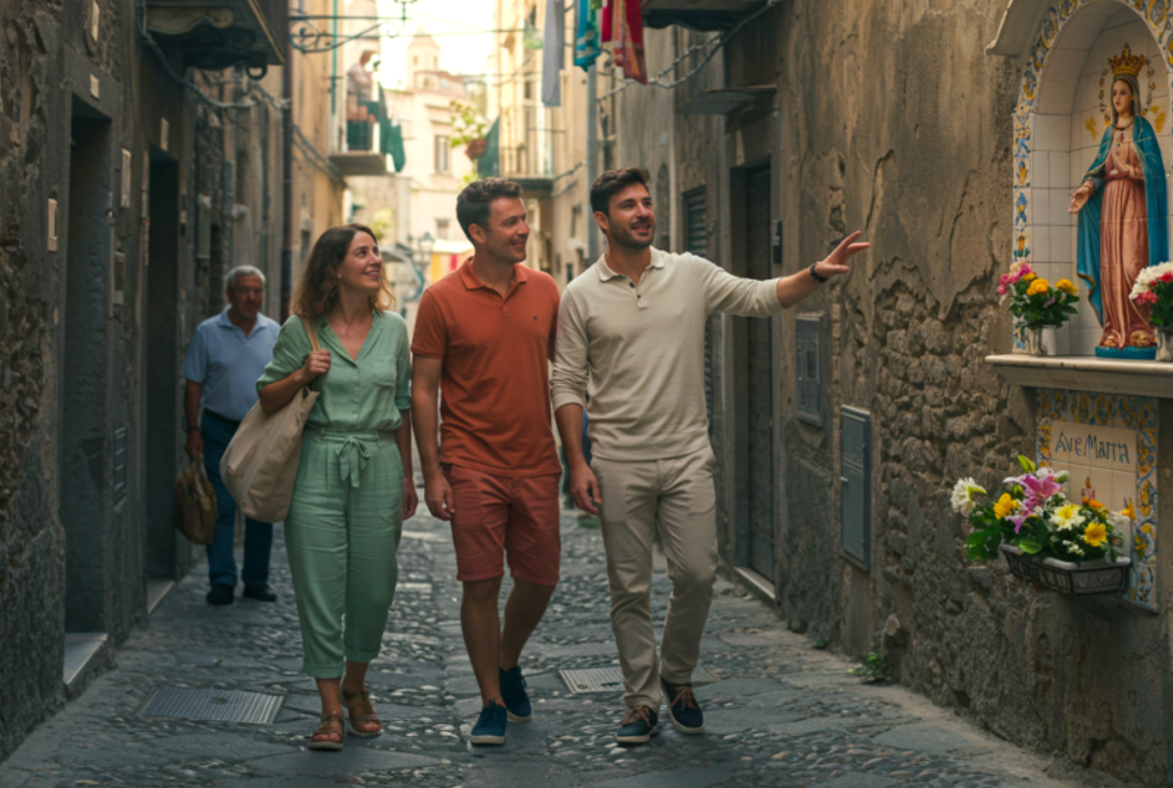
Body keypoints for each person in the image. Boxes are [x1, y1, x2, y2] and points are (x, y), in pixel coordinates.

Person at [552, 167, 870, 744]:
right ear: (603, 220)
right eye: (629, 205)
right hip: (619, 460)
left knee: (697, 573)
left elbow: (758, 296)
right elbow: (568, 382)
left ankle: (677, 674)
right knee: (629, 588)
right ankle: (640, 701)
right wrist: (577, 461)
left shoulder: (689, 273)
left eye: (647, 202)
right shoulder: (579, 296)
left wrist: (818, 272)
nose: (643, 212)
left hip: (686, 454)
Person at [411, 178, 564, 746]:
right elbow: (423, 389)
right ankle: (491, 700)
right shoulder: (441, 299)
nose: (523, 229)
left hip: (536, 463)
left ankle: (507, 656)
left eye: (523, 219)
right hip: (470, 463)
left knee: (541, 578)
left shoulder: (546, 289)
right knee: (480, 583)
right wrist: (432, 471)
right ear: (478, 233)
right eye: (510, 223)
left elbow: (568, 372)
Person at [255, 223, 418, 751]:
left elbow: (403, 408)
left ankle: (356, 684)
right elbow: (267, 399)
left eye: (375, 252)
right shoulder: (300, 329)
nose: (375, 260)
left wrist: (409, 474)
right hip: (317, 462)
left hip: (378, 461)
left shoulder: (393, 328)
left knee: (374, 587)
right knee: (320, 587)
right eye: (362, 253)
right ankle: (329, 708)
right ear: (334, 267)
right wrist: (303, 374)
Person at [183, 265, 281, 606]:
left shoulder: (275, 332)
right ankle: (222, 580)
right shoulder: (208, 332)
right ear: (229, 294)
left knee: (258, 508)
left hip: (262, 431)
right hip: (219, 429)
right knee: (222, 506)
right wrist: (192, 429)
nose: (251, 297)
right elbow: (193, 383)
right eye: (244, 290)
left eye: (257, 291)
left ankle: (256, 580)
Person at [1069, 48, 1168, 354]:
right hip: (1111, 201)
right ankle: (1114, 329)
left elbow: (1156, 171)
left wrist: (1134, 170)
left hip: (1135, 203)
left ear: (1134, 96)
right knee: (1111, 266)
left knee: (1132, 264)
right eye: (1113, 93)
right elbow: (1099, 169)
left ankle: (1141, 328)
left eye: (1122, 92)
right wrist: (1087, 188)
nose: (1117, 98)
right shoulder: (1109, 133)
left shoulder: (1143, 129)